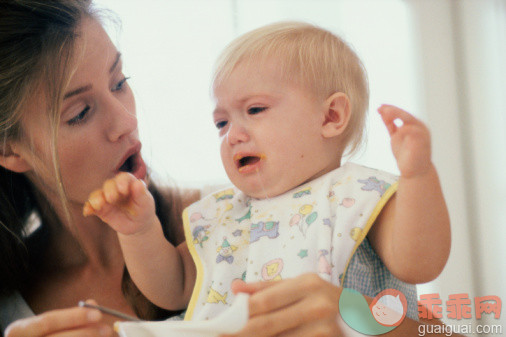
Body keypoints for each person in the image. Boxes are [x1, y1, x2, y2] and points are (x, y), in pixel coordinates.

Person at [86, 20, 451, 329]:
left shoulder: (356, 194)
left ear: (330, 117)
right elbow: (173, 287)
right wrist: (139, 229)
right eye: (222, 122)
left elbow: (418, 263)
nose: (233, 135)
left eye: (255, 109)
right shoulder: (225, 213)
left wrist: (419, 176)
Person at [0, 1, 198, 336]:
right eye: (79, 113)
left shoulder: (229, 223)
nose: (127, 121)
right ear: (10, 150)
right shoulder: (12, 311)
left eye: (120, 81)